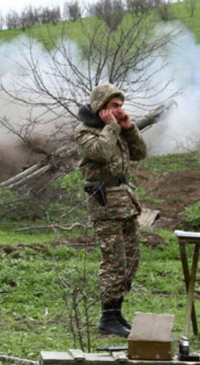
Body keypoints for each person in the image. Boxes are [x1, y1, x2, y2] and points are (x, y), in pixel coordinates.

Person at [74, 84, 147, 337]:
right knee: (113, 260)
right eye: (114, 106)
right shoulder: (85, 132)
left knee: (130, 259)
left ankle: (117, 312)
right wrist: (112, 127)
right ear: (101, 107)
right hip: (105, 204)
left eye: (120, 106)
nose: (119, 110)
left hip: (125, 203)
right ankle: (107, 318)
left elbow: (140, 153)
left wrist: (128, 127)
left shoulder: (116, 129)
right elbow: (101, 153)